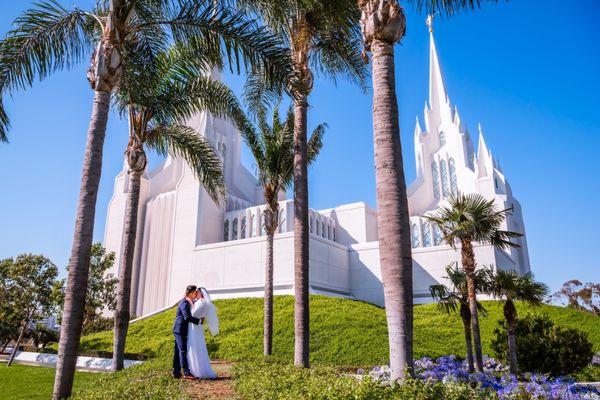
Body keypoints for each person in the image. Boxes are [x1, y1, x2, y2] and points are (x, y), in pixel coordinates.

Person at [187, 287, 219, 379]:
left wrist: (190, 303)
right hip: (197, 326)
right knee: (198, 346)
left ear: (201, 293)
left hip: (195, 327)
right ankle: (197, 369)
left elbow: (193, 314)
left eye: (197, 291)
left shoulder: (201, 302)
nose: (195, 293)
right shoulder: (203, 302)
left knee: (194, 346)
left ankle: (196, 370)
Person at [172, 285, 201, 379]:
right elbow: (187, 317)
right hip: (180, 329)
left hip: (180, 329)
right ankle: (186, 372)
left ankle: (176, 372)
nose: (196, 293)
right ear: (191, 293)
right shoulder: (184, 302)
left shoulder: (188, 301)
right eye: (195, 292)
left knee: (178, 351)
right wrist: (199, 321)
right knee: (183, 350)